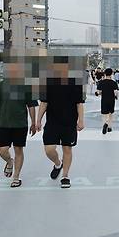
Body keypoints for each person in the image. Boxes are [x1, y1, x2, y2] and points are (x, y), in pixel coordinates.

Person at [36, 57, 85, 189]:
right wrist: (38, 120)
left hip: (69, 122)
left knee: (67, 148)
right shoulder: (47, 83)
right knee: (49, 149)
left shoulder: (75, 83)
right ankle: (58, 163)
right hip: (52, 121)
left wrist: (81, 120)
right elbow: (43, 103)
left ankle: (65, 176)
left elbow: (79, 103)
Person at [0, 62, 38, 188]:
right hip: (3, 124)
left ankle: (16, 177)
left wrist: (33, 122)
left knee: (18, 149)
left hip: (20, 124)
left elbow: (31, 106)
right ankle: (9, 161)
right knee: (2, 150)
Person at [96, 68, 119, 134]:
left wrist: (97, 93)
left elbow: (99, 92)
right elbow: (116, 92)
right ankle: (109, 127)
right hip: (111, 99)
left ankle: (105, 124)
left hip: (104, 99)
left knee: (104, 114)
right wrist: (116, 97)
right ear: (111, 74)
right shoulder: (114, 83)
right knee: (110, 113)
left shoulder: (101, 82)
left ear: (105, 74)